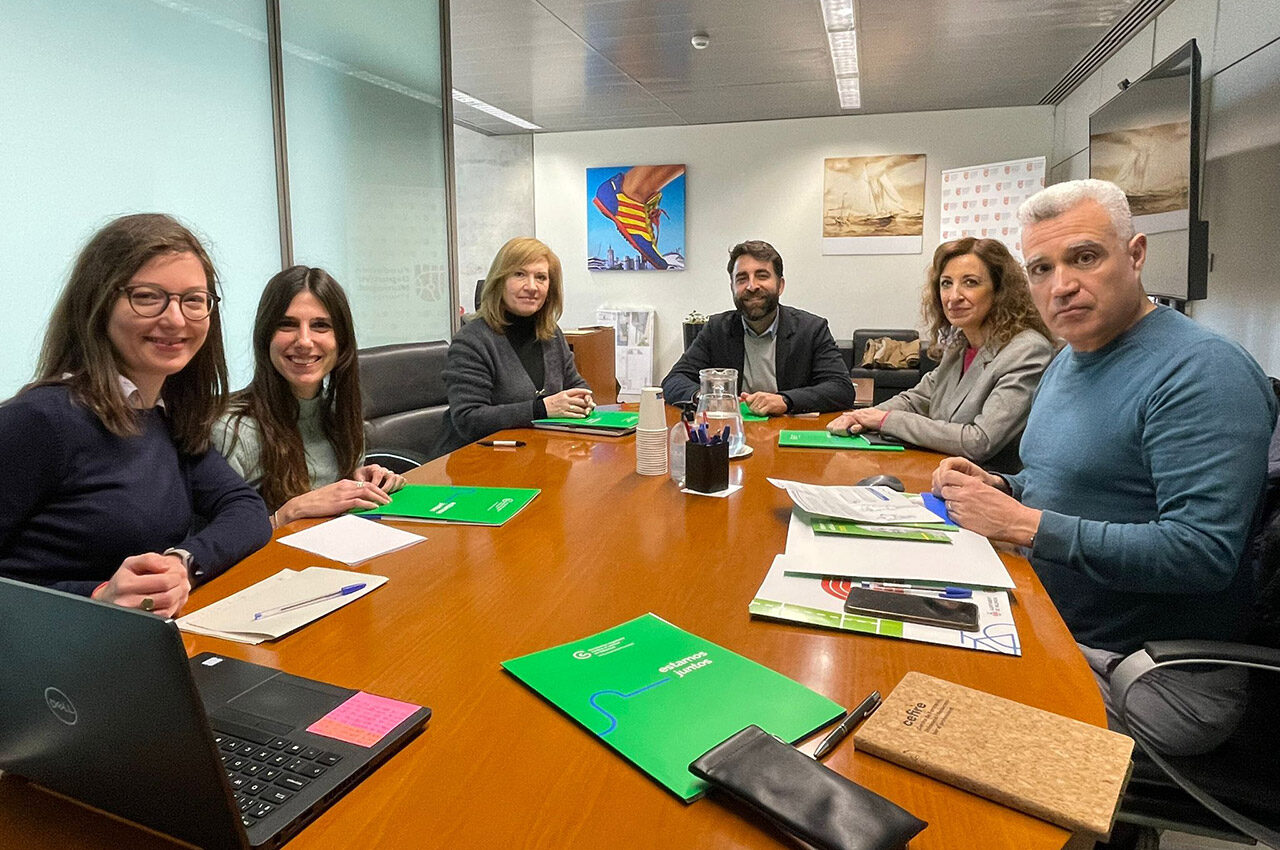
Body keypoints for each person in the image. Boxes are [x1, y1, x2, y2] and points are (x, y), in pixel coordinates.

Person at [932, 179, 1277, 757]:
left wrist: (1022, 524)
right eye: (1041, 269)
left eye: (1085, 258)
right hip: (1055, 626)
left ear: (1136, 255)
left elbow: (1201, 553)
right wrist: (997, 485)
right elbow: (1061, 485)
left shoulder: (1202, 373)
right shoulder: (1070, 358)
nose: (1062, 285)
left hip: (1151, 676)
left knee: (928, 730)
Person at [0, 213, 272, 618]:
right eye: (147, 296)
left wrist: (184, 564)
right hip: (51, 664)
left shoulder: (166, 415)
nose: (176, 319)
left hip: (146, 646)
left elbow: (247, 510)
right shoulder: (39, 421)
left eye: (194, 300)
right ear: (98, 303)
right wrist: (97, 596)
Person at [827, 237, 1056, 472]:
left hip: (987, 485)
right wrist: (863, 416)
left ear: (999, 291)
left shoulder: (1027, 350)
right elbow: (917, 398)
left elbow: (978, 440)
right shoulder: (960, 345)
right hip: (938, 469)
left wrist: (885, 421)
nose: (953, 296)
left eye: (970, 282)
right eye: (946, 283)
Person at [213, 266, 406, 528]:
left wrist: (357, 481)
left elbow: (327, 499)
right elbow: (214, 543)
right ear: (265, 337)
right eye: (287, 324)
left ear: (341, 341)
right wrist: (289, 513)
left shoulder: (340, 414)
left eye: (320, 326)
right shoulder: (232, 431)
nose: (304, 340)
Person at [433, 237, 593, 456]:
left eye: (541, 277)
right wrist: (541, 409)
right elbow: (468, 419)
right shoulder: (472, 341)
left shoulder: (551, 334)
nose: (531, 287)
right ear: (499, 282)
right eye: (519, 274)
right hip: (477, 466)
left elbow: (575, 384)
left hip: (537, 457)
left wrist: (584, 399)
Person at [661, 240, 854, 415]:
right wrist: (705, 398)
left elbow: (841, 388)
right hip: (733, 432)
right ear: (732, 287)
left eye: (762, 276)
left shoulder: (811, 329)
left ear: (780, 286)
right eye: (742, 278)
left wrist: (786, 400)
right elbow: (673, 380)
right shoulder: (717, 329)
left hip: (789, 433)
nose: (751, 286)